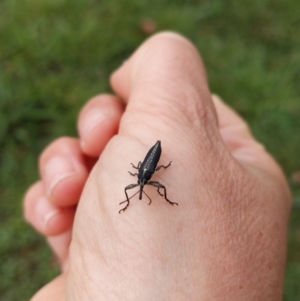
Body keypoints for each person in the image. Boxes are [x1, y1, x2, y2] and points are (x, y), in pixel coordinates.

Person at [24, 32, 291, 300]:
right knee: (138, 186)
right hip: (148, 160)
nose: (140, 189)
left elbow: (152, 177)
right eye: (140, 187)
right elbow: (138, 183)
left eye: (140, 187)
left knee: (157, 185)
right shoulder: (139, 181)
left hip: (154, 155)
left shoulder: (150, 175)